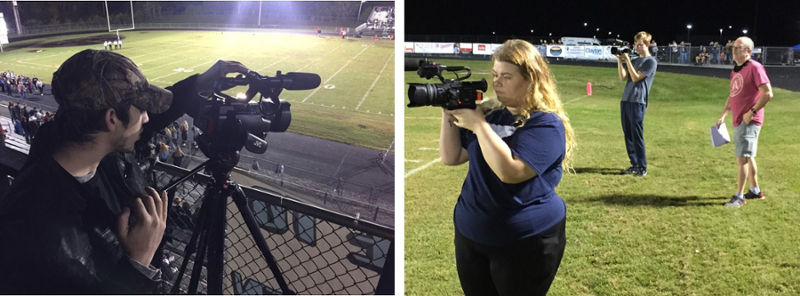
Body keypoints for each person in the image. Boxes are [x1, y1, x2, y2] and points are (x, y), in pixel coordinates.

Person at [0, 49, 249, 293]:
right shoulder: (33, 229)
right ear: (111, 120)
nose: (147, 118)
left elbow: (143, 121)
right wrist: (138, 264)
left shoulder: (88, 145)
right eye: (141, 109)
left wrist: (198, 84)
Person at [440, 39, 573, 296]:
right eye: (495, 75)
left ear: (531, 80)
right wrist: (447, 115)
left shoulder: (546, 124)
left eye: (507, 76)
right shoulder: (492, 113)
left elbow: (510, 172)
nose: (497, 82)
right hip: (471, 234)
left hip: (525, 241)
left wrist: (479, 125)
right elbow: (451, 156)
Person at [716, 37, 773, 207]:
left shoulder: (755, 67)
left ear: (749, 51)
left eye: (739, 47)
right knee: (748, 156)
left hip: (748, 120)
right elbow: (733, 94)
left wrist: (752, 112)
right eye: (733, 47)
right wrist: (724, 114)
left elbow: (767, 93)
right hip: (738, 119)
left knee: (742, 158)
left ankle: (739, 196)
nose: (734, 50)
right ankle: (755, 190)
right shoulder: (736, 71)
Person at [616, 31, 657, 177]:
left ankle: (642, 166)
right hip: (626, 100)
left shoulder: (650, 62)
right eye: (636, 45)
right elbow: (623, 77)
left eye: (640, 45)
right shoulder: (633, 60)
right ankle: (634, 164)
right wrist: (620, 60)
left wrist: (627, 60)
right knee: (628, 133)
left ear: (647, 44)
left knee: (637, 135)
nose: (637, 48)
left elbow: (635, 78)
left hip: (638, 101)